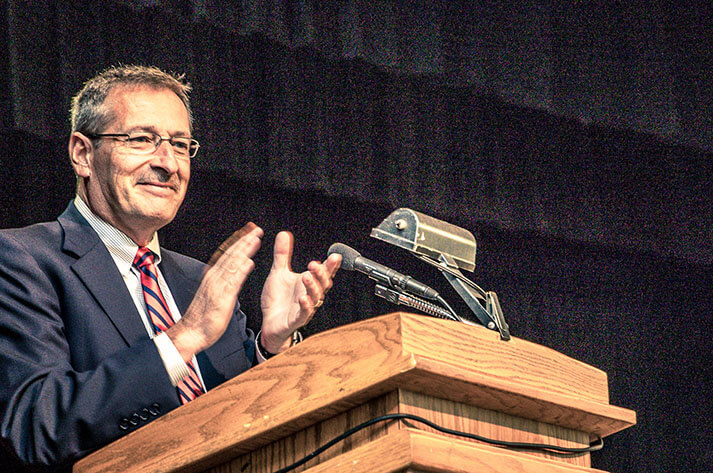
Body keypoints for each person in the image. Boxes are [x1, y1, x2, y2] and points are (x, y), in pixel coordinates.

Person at [0, 65, 341, 471]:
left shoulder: (200, 280)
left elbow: (240, 415)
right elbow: (38, 428)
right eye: (142, 139)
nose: (168, 163)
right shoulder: (21, 259)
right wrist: (184, 338)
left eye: (180, 145)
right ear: (83, 154)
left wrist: (270, 347)